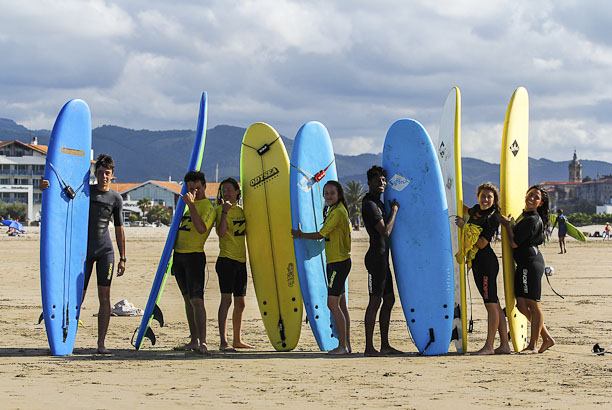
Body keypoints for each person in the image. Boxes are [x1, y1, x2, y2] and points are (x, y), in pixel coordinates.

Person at [40, 154, 126, 354]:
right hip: (82, 253)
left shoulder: (115, 198)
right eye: (101, 172)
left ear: (112, 175)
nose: (104, 176)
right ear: (95, 173)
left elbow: (120, 229)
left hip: (105, 251)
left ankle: (101, 344)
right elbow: (60, 204)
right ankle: (66, 340)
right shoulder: (84, 192)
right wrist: (45, 189)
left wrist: (123, 258)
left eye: (108, 173)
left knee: (105, 298)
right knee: (77, 297)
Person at [291, 180, 352, 355]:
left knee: (332, 304)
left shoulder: (338, 212)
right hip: (339, 262)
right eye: (326, 193)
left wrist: (300, 235)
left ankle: (342, 346)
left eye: (332, 193)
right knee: (341, 304)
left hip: (337, 264)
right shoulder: (335, 210)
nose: (329, 196)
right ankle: (346, 345)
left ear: (339, 194)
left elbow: (321, 234)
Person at [455, 183, 510, 355]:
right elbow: (463, 208)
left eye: (489, 197)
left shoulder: (493, 217)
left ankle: (489, 347)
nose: (485, 199)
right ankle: (505, 346)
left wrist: (464, 227)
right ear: (478, 196)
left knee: (490, 305)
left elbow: (481, 243)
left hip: (486, 263)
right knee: (495, 304)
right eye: (483, 196)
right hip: (478, 264)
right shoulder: (476, 211)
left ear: (494, 200)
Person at [500, 185, 555, 354]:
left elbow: (515, 243)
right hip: (524, 264)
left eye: (536, 197)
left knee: (533, 304)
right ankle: (547, 338)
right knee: (522, 305)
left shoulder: (532, 219)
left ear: (540, 203)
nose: (531, 198)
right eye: (530, 195)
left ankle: (534, 345)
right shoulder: (526, 215)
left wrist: (507, 226)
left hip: (531, 263)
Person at [172, 171, 216, 355]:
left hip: (195, 257)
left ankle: (203, 341)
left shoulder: (208, 207)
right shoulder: (184, 206)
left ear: (205, 186)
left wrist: (191, 204)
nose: (195, 191)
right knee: (187, 300)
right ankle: (193, 339)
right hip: (179, 256)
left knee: (197, 300)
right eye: (191, 188)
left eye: (198, 188)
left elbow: (201, 229)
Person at [361, 165, 401, 356]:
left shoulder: (378, 202)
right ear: (369, 183)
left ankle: (385, 344)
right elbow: (385, 231)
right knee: (375, 302)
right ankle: (369, 347)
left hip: (383, 259)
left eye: (384, 180)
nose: (382, 184)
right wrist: (394, 210)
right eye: (378, 181)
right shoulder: (370, 204)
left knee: (389, 299)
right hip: (376, 259)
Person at [214, 177, 253, 351]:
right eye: (224, 190)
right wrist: (224, 212)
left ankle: (237, 339)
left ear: (238, 192)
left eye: (229, 189)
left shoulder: (244, 211)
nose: (226, 193)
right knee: (226, 300)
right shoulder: (219, 210)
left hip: (241, 261)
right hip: (226, 260)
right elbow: (221, 233)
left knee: (241, 303)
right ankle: (223, 341)